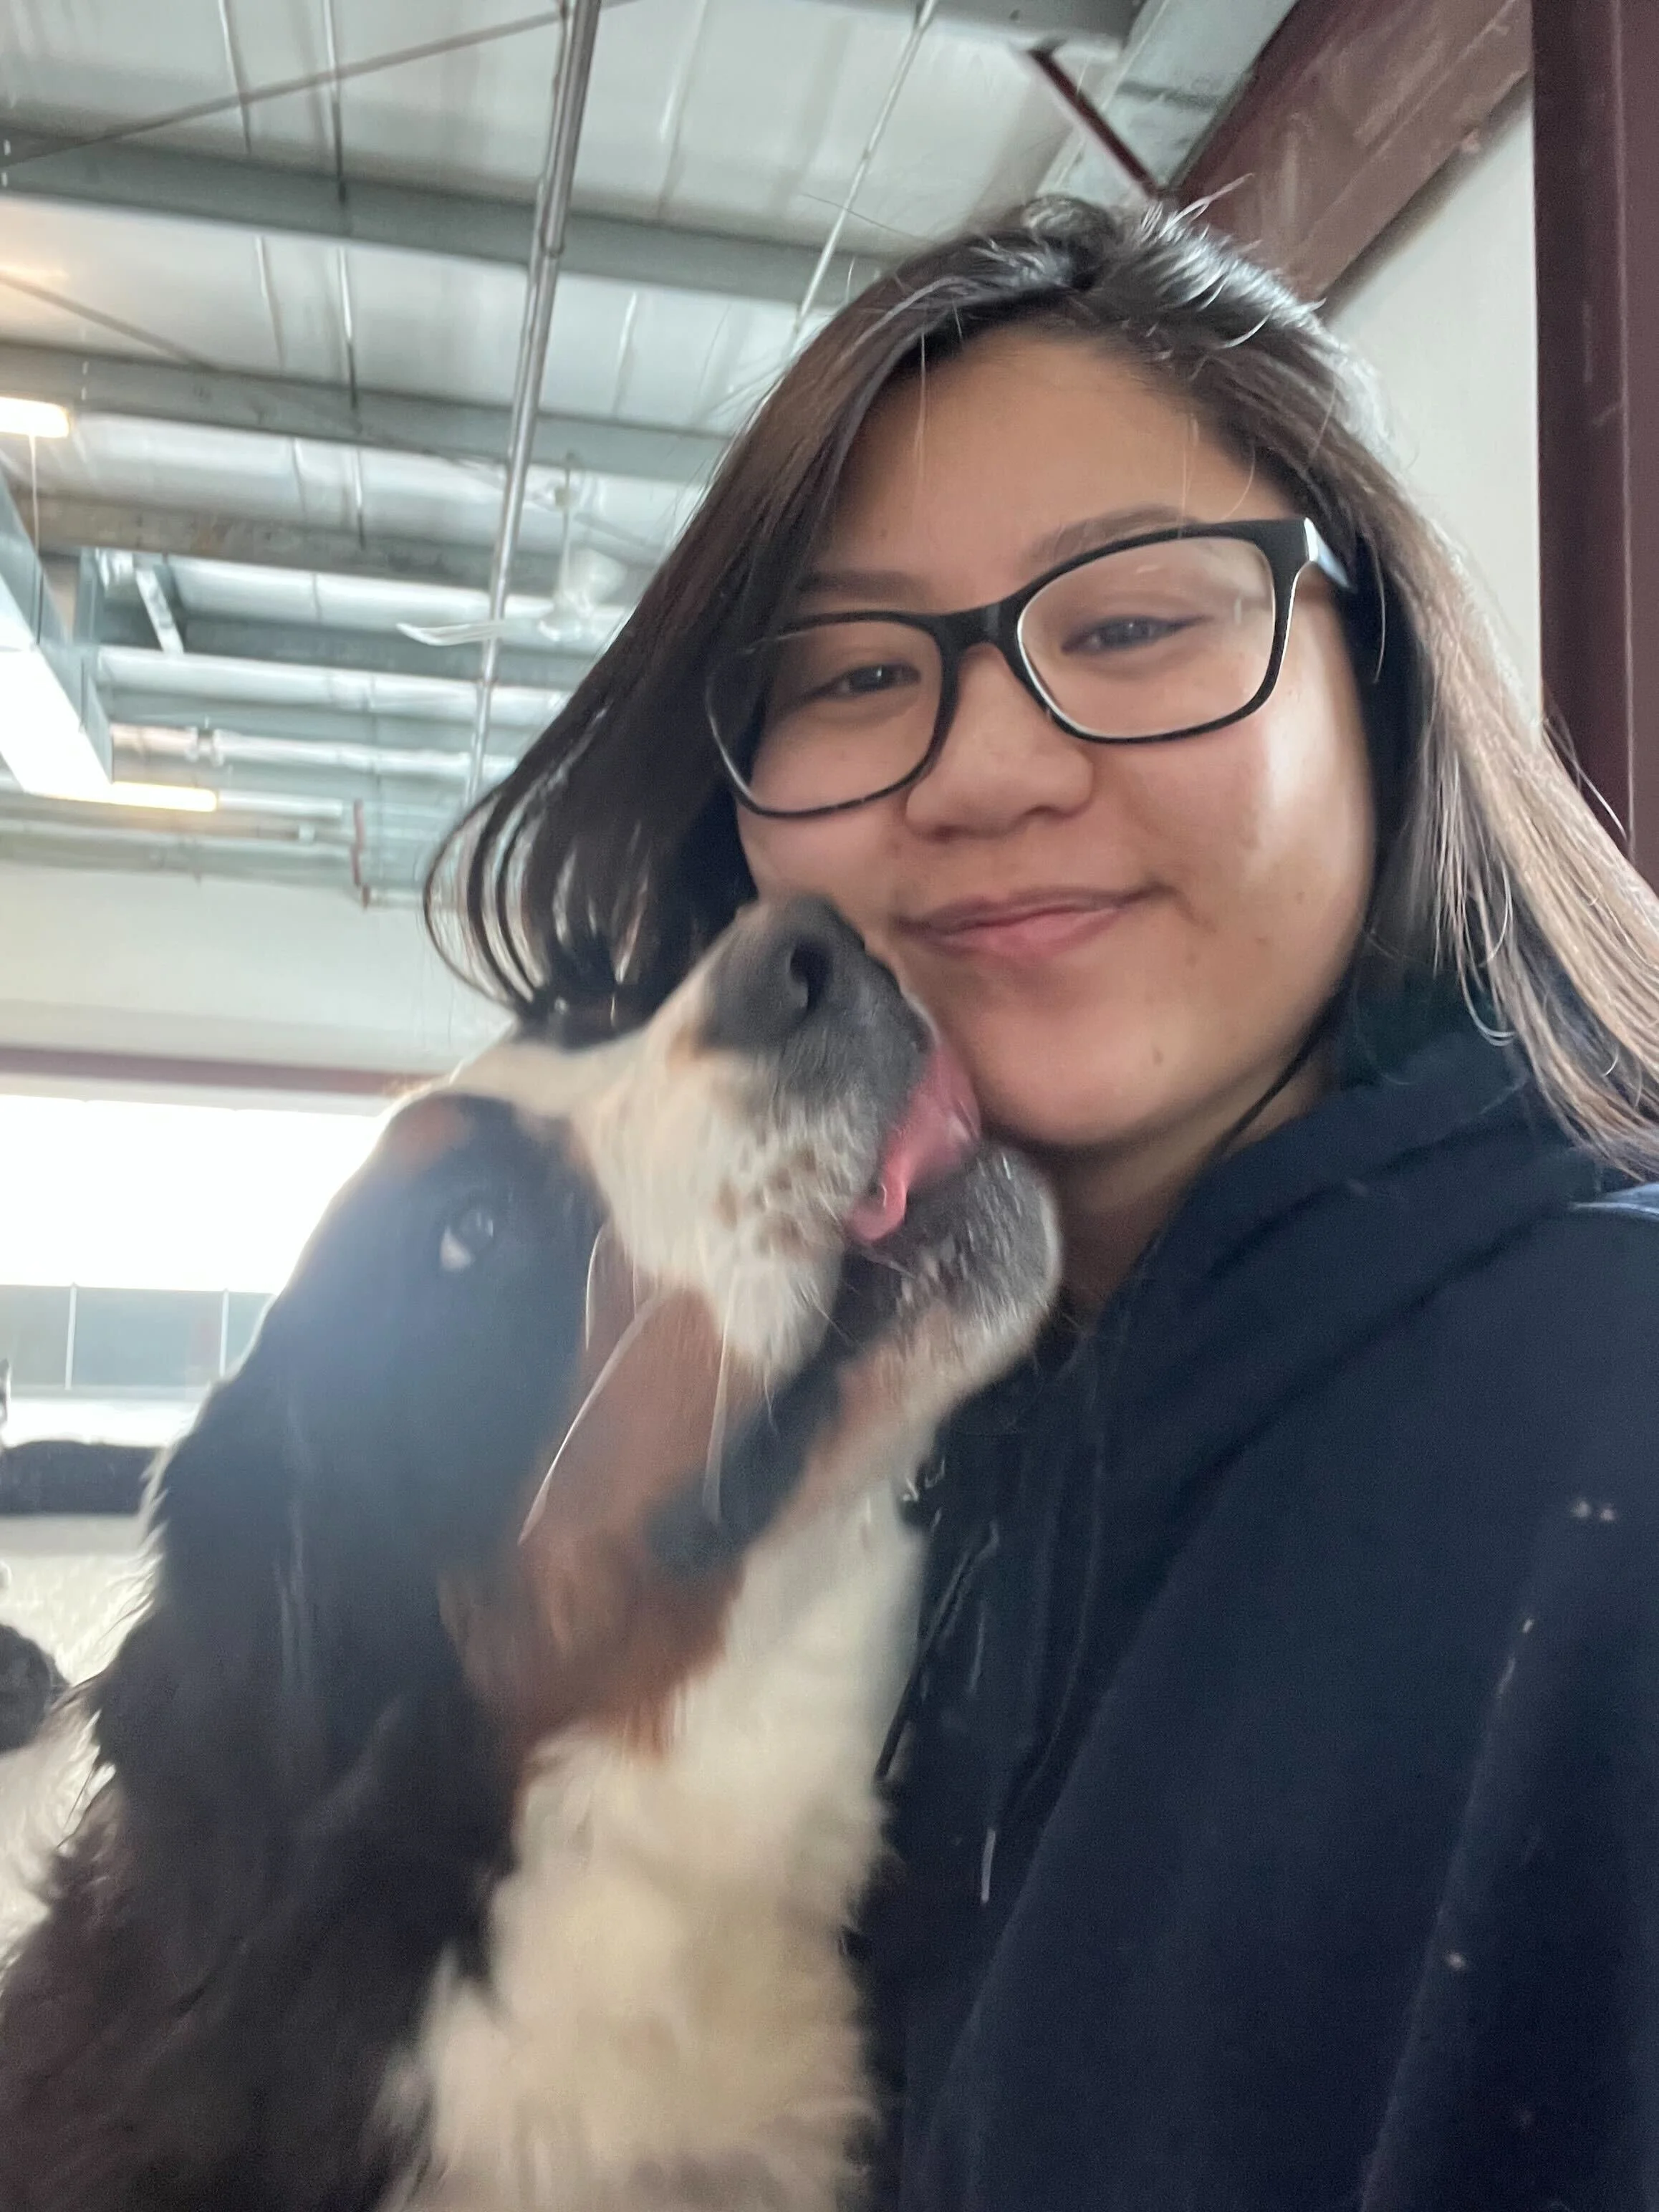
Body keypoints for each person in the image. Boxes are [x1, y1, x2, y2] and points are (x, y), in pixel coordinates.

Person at [430, 200, 1659, 2211]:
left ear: (1380, 683)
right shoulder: (833, 1451)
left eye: (1131, 625)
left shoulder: (1602, 1422)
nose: (985, 769)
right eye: (842, 672)